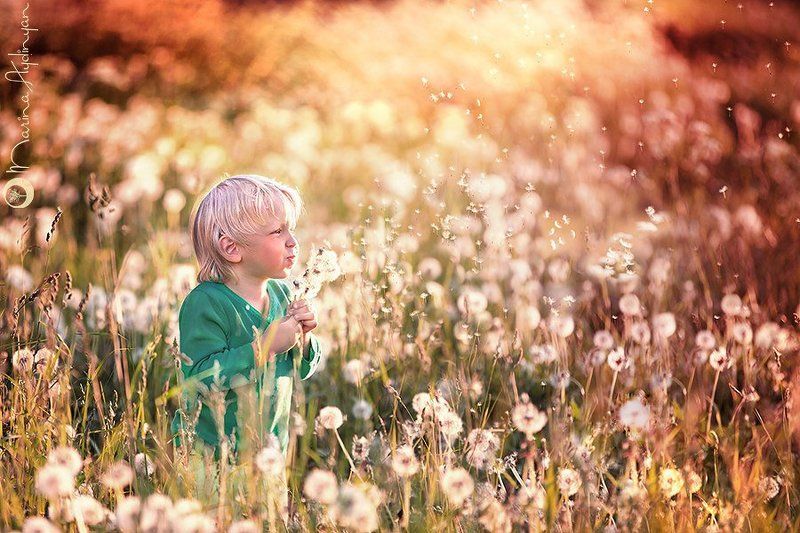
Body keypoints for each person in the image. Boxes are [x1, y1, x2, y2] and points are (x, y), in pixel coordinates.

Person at [171, 174, 322, 523]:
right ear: (232, 248)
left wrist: (305, 338)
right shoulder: (205, 303)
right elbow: (199, 378)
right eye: (278, 232)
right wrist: (265, 347)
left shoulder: (283, 296)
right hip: (211, 462)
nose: (292, 242)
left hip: (269, 455)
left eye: (291, 229)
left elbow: (302, 368)